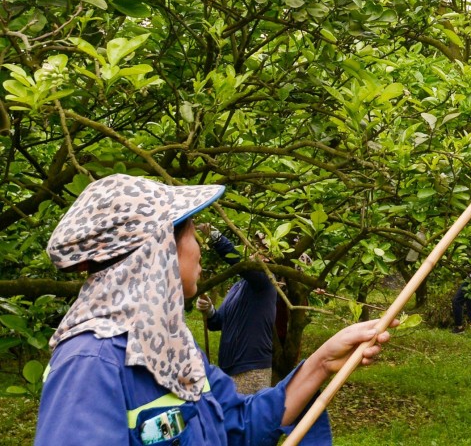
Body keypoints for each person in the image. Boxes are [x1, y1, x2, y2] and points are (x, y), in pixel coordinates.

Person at [35, 174, 395, 445]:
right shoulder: (91, 362)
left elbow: (238, 423)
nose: (199, 249)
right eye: (192, 234)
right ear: (159, 250)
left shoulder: (170, 346)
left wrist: (322, 362)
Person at [195, 225, 277, 392]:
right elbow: (218, 322)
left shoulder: (265, 281)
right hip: (229, 367)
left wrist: (215, 237)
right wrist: (209, 309)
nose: (255, 252)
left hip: (251, 368)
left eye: (262, 249)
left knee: (244, 417)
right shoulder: (239, 286)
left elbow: (238, 261)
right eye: (255, 247)